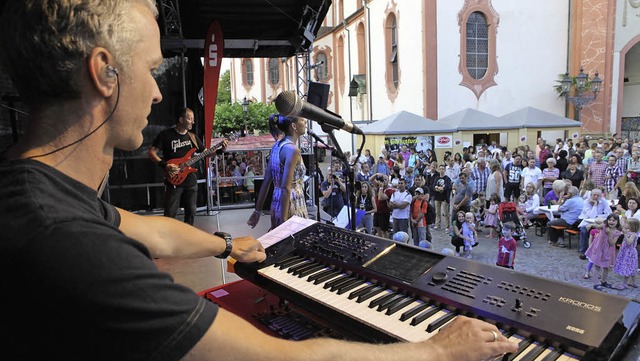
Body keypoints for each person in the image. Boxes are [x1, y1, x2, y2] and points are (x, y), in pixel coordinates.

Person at [0, 1, 520, 360]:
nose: (159, 95)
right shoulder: (69, 247)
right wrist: (432, 351)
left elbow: (148, 229)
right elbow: (278, 357)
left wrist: (226, 243)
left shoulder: (35, 192)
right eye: (153, 71)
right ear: (104, 72)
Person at [149, 107, 227, 225]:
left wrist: (220, 150)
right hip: (174, 179)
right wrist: (165, 165)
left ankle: (188, 236)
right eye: (190, 119)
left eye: (193, 119)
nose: (193, 122)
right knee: (170, 213)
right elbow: (151, 153)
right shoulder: (166, 135)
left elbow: (205, 153)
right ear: (181, 119)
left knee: (191, 212)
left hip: (190, 180)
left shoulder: (193, 137)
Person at [248, 114, 308, 230]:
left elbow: (266, 181)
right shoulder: (292, 150)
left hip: (276, 202)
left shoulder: (277, 146)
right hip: (292, 203)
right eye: (302, 120)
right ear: (294, 126)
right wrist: (284, 221)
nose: (305, 122)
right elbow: (286, 187)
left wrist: (257, 211)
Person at [585, 214, 622, 290]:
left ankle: (603, 281)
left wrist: (609, 234)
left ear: (617, 222)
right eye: (610, 220)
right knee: (597, 266)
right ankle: (596, 283)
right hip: (599, 249)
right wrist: (591, 224)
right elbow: (597, 226)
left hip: (608, 251)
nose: (611, 222)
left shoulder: (617, 232)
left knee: (606, 267)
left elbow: (612, 243)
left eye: (613, 220)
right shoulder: (604, 226)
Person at [578, 188, 613, 259]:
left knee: (604, 230)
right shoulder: (586, 202)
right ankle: (583, 251)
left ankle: (600, 251)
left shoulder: (603, 201)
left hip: (599, 221)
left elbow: (609, 213)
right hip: (585, 220)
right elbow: (592, 216)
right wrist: (595, 205)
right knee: (584, 230)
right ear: (591, 195)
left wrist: (599, 216)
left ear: (601, 196)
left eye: (598, 195)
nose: (596, 197)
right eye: (594, 195)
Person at [613, 217, 639, 289]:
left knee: (628, 267)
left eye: (628, 223)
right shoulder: (628, 231)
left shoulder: (633, 234)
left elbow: (629, 242)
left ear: (632, 226)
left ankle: (625, 284)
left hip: (629, 253)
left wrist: (624, 234)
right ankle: (632, 282)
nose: (626, 224)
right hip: (625, 251)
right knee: (631, 267)